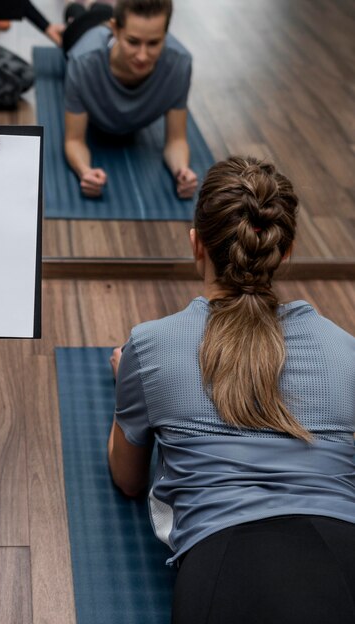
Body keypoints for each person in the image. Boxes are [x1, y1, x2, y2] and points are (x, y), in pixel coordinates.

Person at [108, 156, 355, 623]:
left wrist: (130, 381)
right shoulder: (346, 351)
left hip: (225, 565)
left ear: (196, 244)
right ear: (287, 250)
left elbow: (128, 478)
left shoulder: (151, 345)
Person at [63, 0, 198, 198]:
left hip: (112, 22)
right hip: (82, 32)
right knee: (76, 14)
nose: (142, 56)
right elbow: (74, 140)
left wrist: (182, 171)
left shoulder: (180, 64)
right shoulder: (82, 61)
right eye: (133, 42)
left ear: (166, 35)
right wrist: (85, 171)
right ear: (115, 30)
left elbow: (176, 140)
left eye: (153, 43)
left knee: (101, 8)